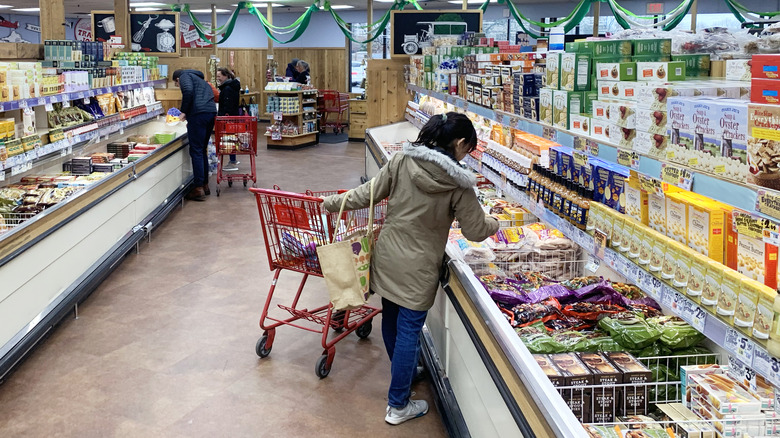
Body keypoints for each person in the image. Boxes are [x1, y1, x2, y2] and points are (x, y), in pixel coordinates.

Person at [322, 112, 499, 425]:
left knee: (391, 321)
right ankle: (398, 404)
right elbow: (475, 230)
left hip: (388, 257)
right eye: (468, 149)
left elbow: (368, 193)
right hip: (420, 269)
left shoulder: (402, 161)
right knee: (408, 333)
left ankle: (402, 375)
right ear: (459, 143)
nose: (466, 155)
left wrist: (333, 203)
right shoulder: (459, 184)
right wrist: (494, 222)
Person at [173, 69, 217, 201]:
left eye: (177, 84)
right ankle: (204, 184)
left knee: (196, 150)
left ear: (177, 79)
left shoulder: (184, 76)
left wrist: (184, 112)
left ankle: (198, 187)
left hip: (199, 114)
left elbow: (188, 92)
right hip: (210, 112)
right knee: (202, 149)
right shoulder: (200, 79)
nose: (178, 86)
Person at [216, 67, 242, 171]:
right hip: (233, 116)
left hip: (228, 118)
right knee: (232, 138)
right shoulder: (232, 86)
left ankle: (232, 162)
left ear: (225, 76)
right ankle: (233, 159)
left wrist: (223, 115)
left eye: (219, 76)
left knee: (229, 139)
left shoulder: (227, 88)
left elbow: (227, 105)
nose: (218, 78)